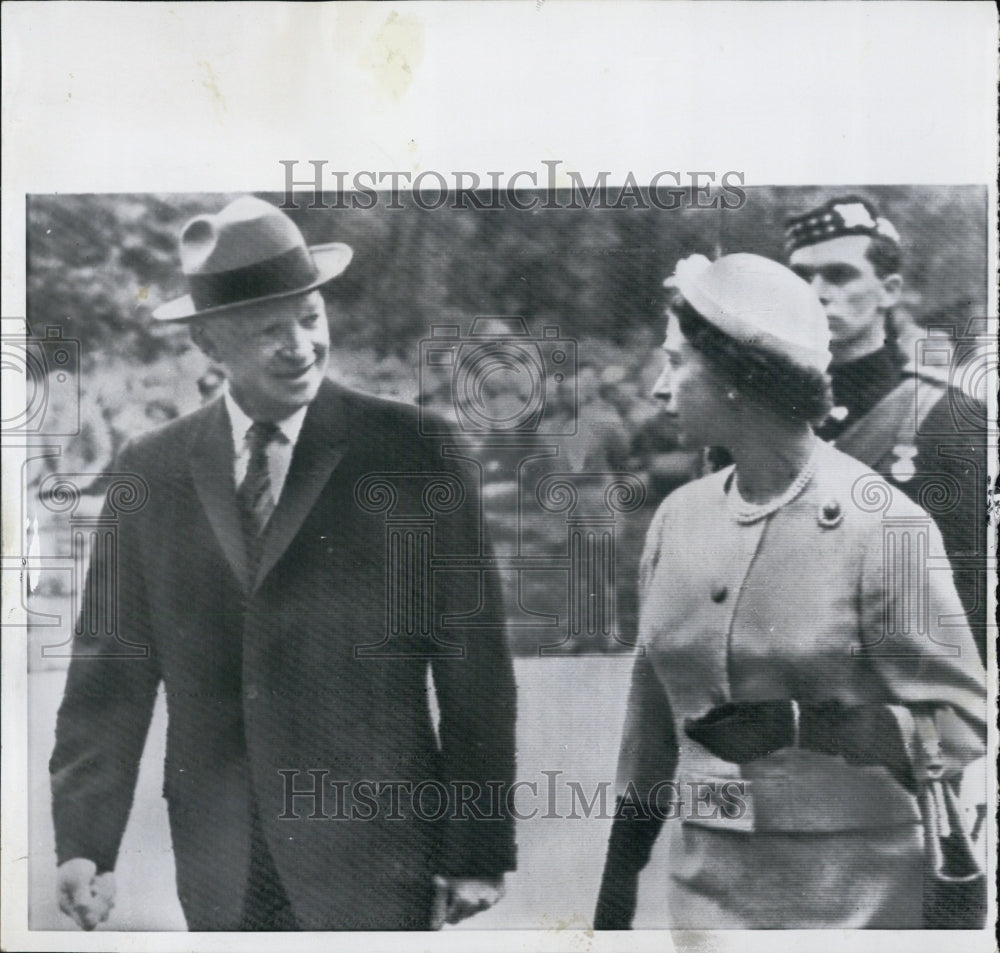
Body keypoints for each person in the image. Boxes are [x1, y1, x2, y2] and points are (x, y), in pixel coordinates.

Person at [49, 196, 517, 931]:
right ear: (209, 344)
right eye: (268, 329)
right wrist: (83, 843)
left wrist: (478, 845)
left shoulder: (413, 451)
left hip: (379, 850)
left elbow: (473, 665)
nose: (299, 346)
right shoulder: (152, 468)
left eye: (310, 318)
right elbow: (111, 671)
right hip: (221, 860)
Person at [594, 254, 986, 929]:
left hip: (855, 893)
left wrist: (810, 725)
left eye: (678, 363)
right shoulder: (679, 518)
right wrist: (615, 883)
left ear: (739, 378)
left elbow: (962, 724)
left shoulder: (881, 524)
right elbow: (651, 719)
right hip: (704, 889)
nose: (660, 389)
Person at [784, 196, 988, 663]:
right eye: (800, 277)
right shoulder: (761, 417)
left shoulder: (946, 420)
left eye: (839, 275)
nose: (815, 293)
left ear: (890, 290)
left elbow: (974, 600)